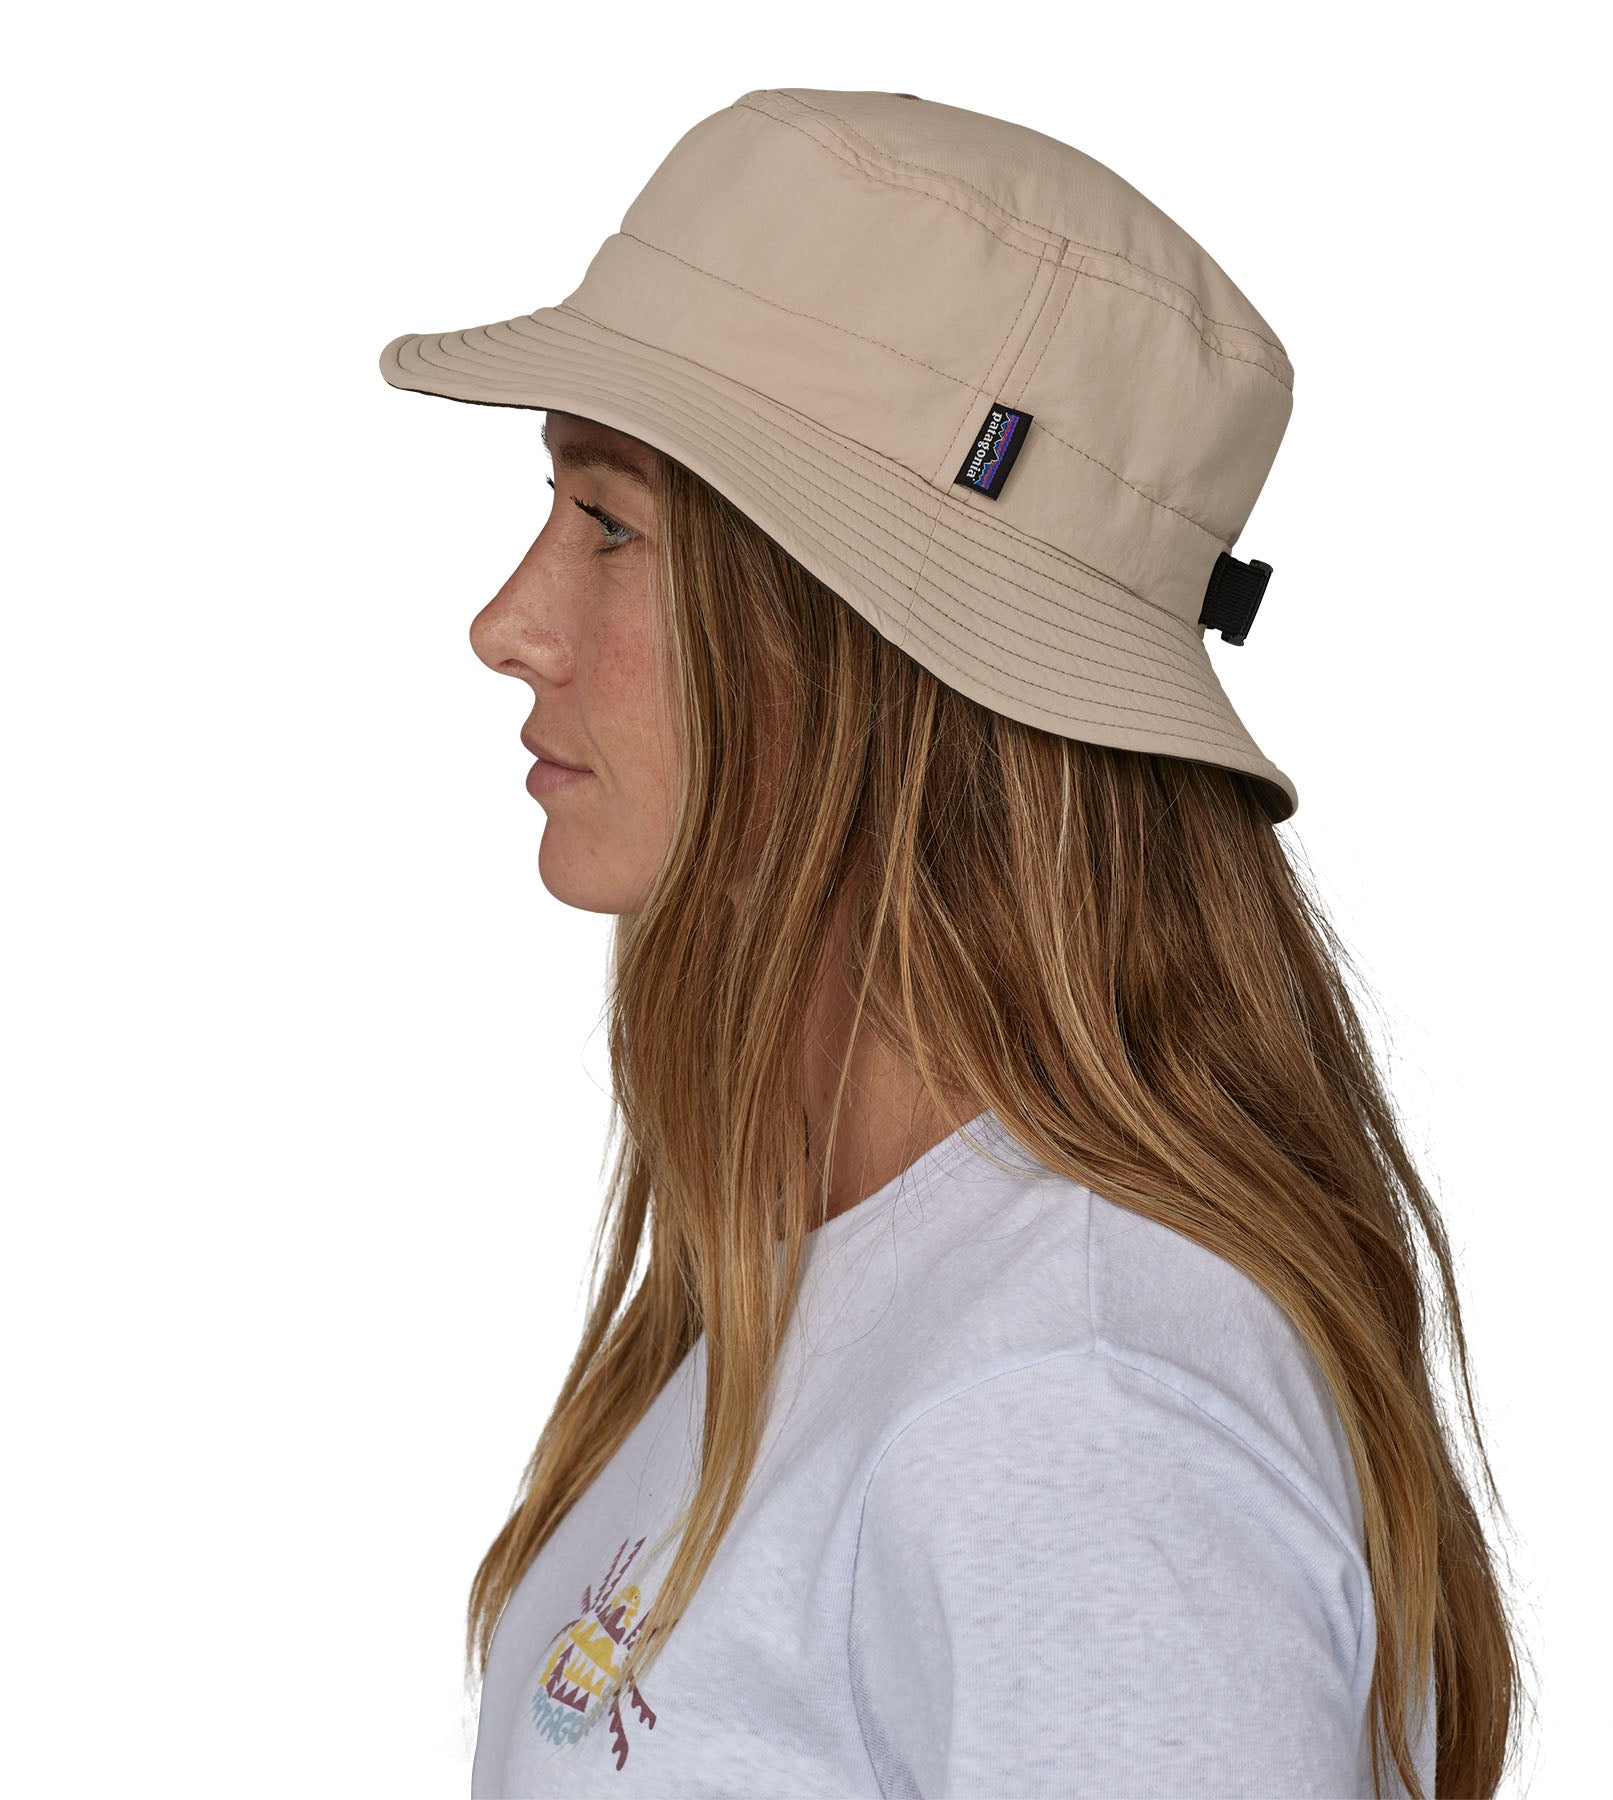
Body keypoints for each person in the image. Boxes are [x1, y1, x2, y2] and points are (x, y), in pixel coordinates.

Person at [379, 87, 1523, 1799]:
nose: (508, 624)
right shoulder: (859, 1296)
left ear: (865, 640)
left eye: (612, 523)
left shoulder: (1073, 1412)